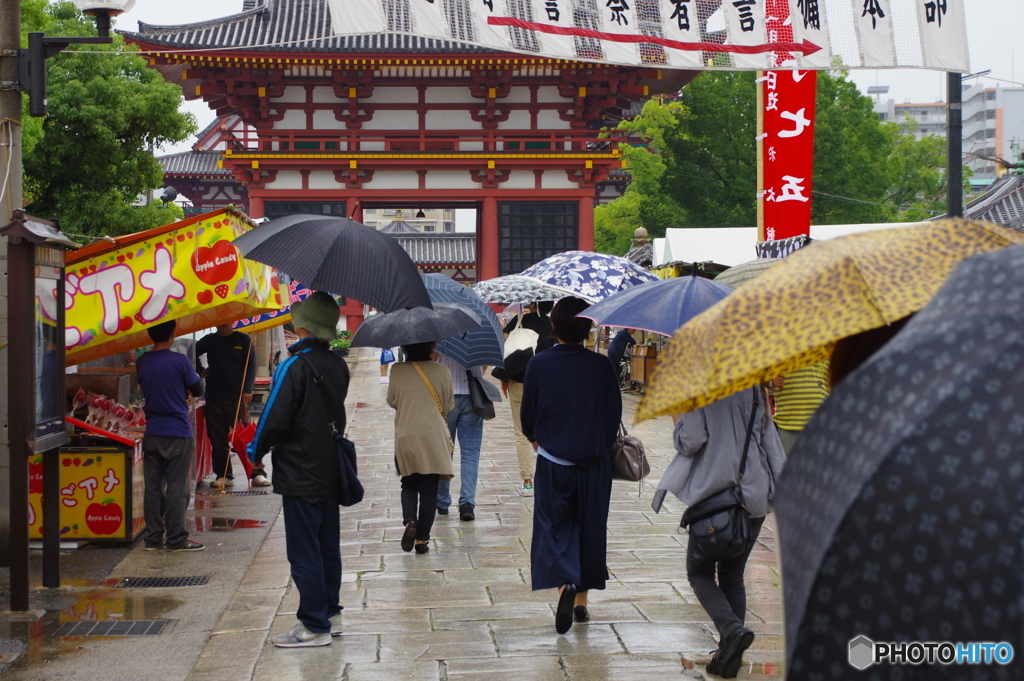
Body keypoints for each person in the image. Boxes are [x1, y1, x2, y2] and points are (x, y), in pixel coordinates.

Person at [652, 387, 786, 679]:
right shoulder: (753, 386)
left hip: (716, 498)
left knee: (699, 572)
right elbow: (771, 442)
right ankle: (729, 657)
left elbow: (691, 441)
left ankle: (731, 630)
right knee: (733, 574)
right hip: (753, 496)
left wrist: (678, 414)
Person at [249, 292, 350, 648]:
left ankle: (313, 625)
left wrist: (253, 451)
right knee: (327, 547)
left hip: (300, 471)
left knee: (303, 550)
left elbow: (272, 419)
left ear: (302, 325)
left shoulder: (293, 367)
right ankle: (331, 614)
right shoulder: (339, 365)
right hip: (329, 469)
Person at [520, 297, 621, 634]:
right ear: (587, 326)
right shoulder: (602, 365)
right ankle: (581, 604)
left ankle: (566, 586)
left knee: (555, 528)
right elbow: (613, 419)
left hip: (553, 462)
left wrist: (539, 441)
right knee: (590, 529)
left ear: (555, 326)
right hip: (594, 464)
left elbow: (528, 417)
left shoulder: (539, 365)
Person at [135, 319, 206, 552]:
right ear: (173, 332)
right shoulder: (180, 361)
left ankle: (153, 539)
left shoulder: (143, 361)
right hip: (177, 431)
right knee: (177, 487)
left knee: (153, 487)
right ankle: (177, 539)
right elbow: (199, 389)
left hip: (153, 431)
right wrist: (186, 387)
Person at [387, 341, 454, 554]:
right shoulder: (442, 370)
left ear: (405, 347)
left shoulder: (397, 370)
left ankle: (410, 523)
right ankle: (422, 540)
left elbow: (391, 400)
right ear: (431, 345)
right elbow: (449, 404)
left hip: (406, 434)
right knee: (429, 489)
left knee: (408, 482)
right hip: (433, 435)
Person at [195, 323, 261, 488]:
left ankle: (257, 474)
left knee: (245, 436)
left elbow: (252, 365)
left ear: (233, 322)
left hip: (237, 397)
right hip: (213, 396)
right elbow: (191, 352)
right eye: (220, 322)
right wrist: (200, 370)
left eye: (226, 322)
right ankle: (223, 475)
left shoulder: (243, 339)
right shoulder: (209, 340)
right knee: (217, 438)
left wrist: (248, 389)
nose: (223, 326)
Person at [501, 300, 555, 496]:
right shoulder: (552, 324)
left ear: (533, 303)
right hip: (546, 383)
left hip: (519, 382)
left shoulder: (519, 320)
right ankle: (548, 475)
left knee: (521, 432)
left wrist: (504, 378)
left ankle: (527, 481)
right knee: (547, 429)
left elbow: (505, 348)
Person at [435, 351, 484, 521]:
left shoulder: (442, 330)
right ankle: (467, 503)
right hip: (473, 395)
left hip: (445, 395)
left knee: (444, 450)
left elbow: (433, 358)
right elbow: (485, 364)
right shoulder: (480, 331)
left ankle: (442, 501)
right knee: (470, 454)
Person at [768, 362, 830, 454]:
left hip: (820, 425)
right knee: (785, 467)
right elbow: (760, 379)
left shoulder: (825, 351)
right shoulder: (781, 351)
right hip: (788, 425)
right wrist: (771, 382)